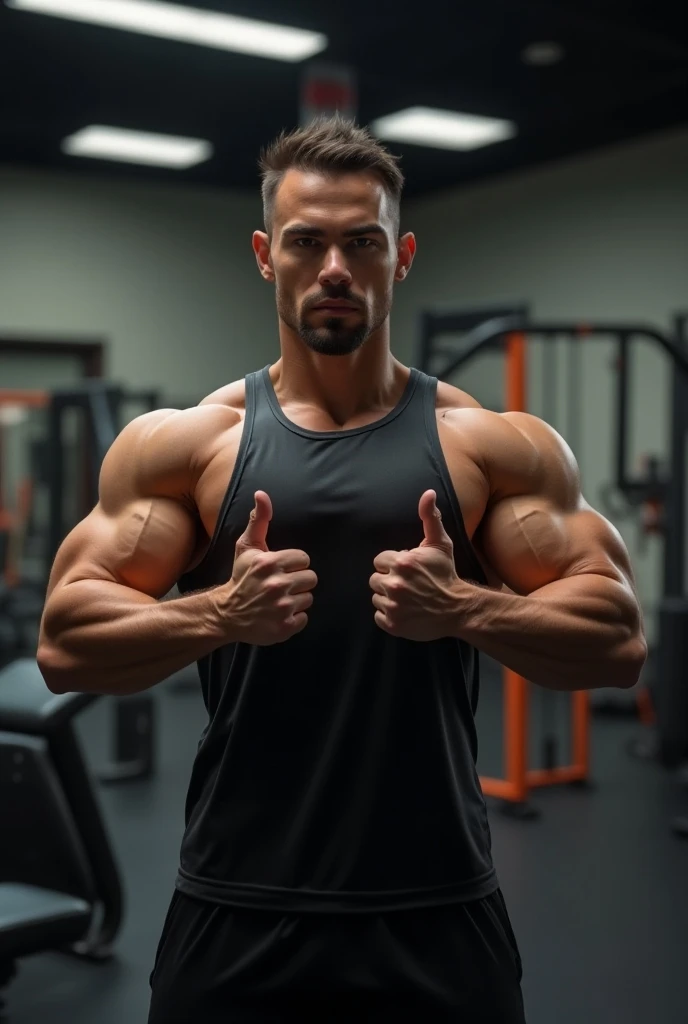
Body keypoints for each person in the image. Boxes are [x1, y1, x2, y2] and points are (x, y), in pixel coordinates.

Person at [37, 116, 647, 1023]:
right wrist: (219, 616)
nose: (334, 268)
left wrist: (467, 608)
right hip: (236, 904)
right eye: (306, 242)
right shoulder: (189, 444)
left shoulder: (489, 445)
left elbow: (619, 639)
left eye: (360, 242)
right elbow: (64, 643)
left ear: (400, 257)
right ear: (264, 254)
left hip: (437, 907)